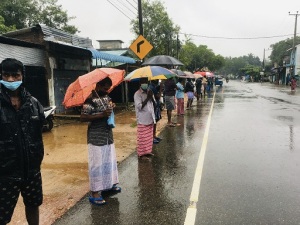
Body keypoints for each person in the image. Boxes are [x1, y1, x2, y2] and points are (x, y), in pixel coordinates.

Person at [0, 58, 45, 225]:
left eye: (15, 75)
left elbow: (38, 133)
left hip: (31, 169)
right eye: (6, 75)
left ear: (22, 76)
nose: (11, 80)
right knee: (2, 215)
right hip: (5, 173)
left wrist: (37, 158)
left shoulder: (33, 104)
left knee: (33, 205)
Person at [80, 77, 121, 206]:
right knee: (97, 164)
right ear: (98, 85)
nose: (107, 90)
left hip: (107, 135)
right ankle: (95, 193)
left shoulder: (107, 97)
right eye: (104, 88)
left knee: (108, 160)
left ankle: (108, 185)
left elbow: (109, 109)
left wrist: (111, 107)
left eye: (108, 88)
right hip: (96, 136)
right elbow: (83, 117)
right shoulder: (90, 99)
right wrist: (102, 115)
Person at [134, 78, 156, 158]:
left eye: (146, 82)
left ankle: (148, 151)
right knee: (142, 137)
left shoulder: (149, 91)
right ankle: (141, 154)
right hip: (142, 119)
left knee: (149, 137)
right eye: (143, 82)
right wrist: (147, 98)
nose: (145, 83)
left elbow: (154, 103)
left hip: (150, 117)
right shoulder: (137, 94)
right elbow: (139, 107)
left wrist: (151, 96)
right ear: (140, 83)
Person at [149, 80, 162, 144]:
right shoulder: (152, 87)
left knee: (155, 122)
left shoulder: (153, 87)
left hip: (155, 106)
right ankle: (152, 137)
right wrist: (160, 90)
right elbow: (158, 96)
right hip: (154, 107)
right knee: (153, 122)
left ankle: (154, 135)